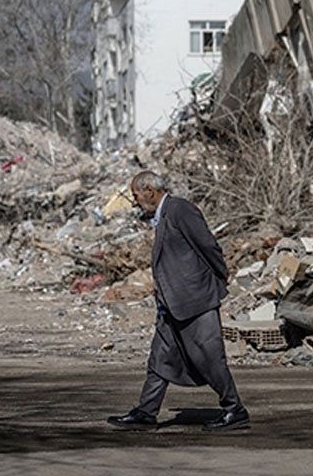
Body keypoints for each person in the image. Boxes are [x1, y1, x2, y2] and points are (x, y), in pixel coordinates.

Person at [107, 171, 249, 432]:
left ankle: (234, 409)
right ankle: (146, 412)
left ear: (149, 190)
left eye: (136, 195)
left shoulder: (180, 210)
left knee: (210, 357)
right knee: (159, 359)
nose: (134, 201)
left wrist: (219, 278)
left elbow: (208, 246)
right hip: (172, 304)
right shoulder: (163, 216)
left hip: (196, 300)